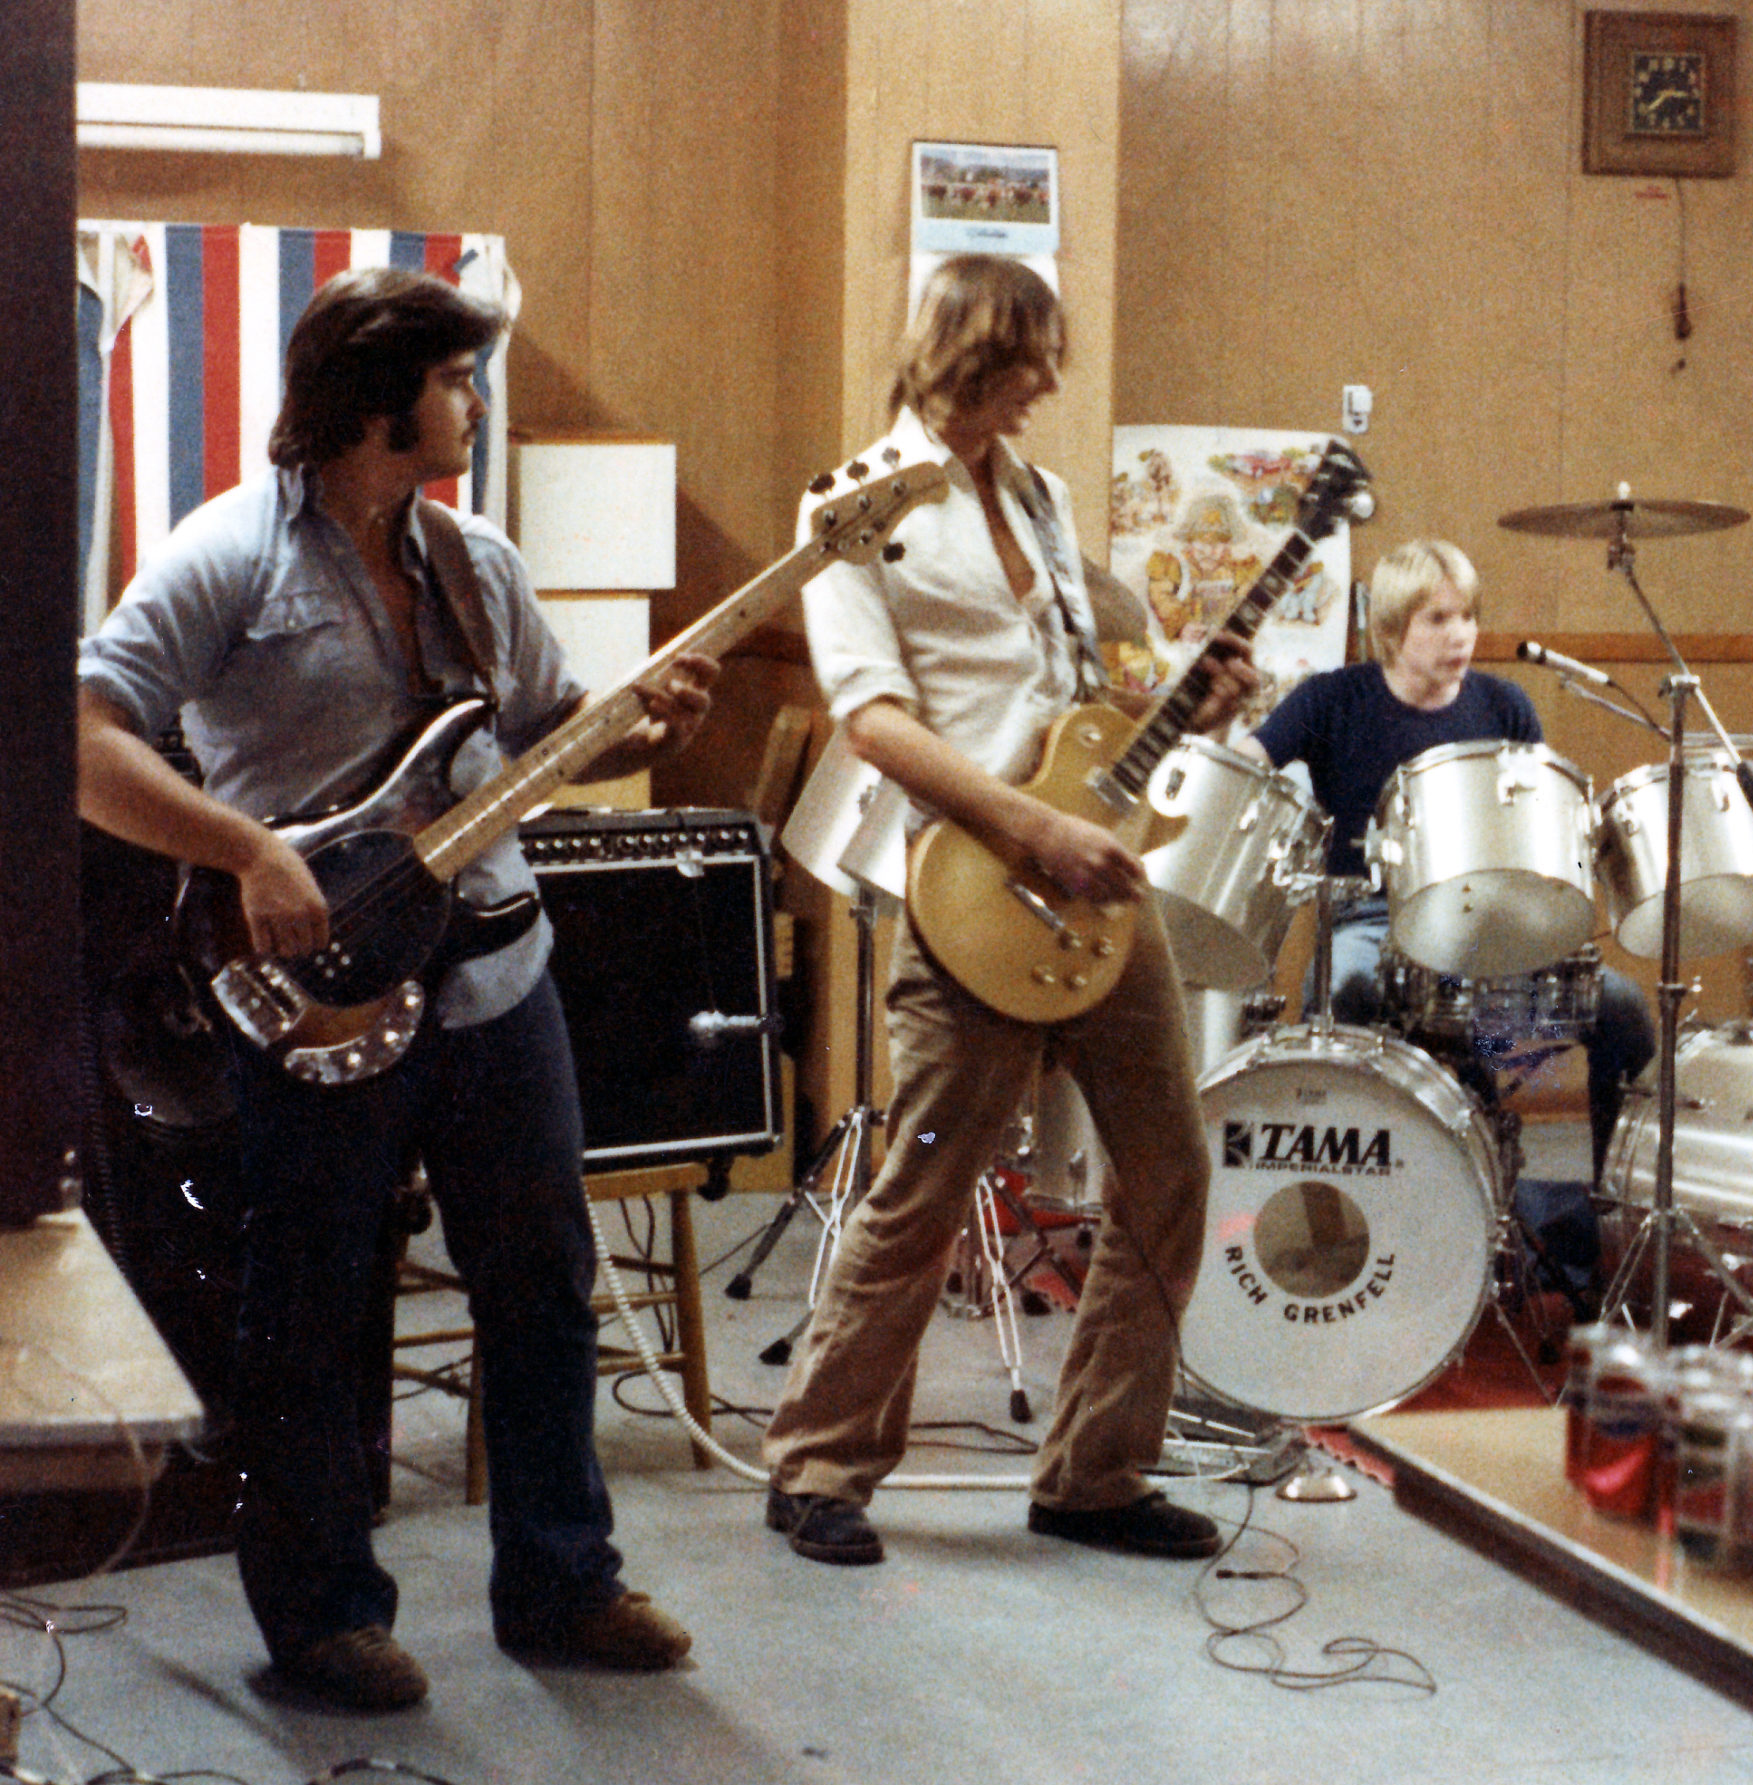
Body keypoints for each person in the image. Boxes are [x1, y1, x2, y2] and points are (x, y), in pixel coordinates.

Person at [77, 268, 711, 1711]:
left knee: (543, 1286)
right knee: (311, 1306)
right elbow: (83, 741)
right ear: (382, 400)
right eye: (456, 381)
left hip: (496, 977)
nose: (476, 404)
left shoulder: (475, 562)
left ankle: (563, 1581)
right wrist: (244, 851)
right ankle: (320, 1619)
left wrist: (644, 724)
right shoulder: (225, 557)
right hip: (317, 992)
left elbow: (544, 740)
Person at [763, 254, 1255, 1568]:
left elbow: (1084, 705)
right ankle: (818, 1465)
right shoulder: (854, 503)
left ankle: (1095, 1472)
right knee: (925, 1189)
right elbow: (873, 720)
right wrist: (1024, 829)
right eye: (1030, 357)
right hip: (969, 889)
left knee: (1169, 1170)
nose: (1047, 382)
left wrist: (1188, 704)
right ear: (969, 351)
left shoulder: (1040, 499)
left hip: (1095, 886)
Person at [1239, 539, 1655, 1308]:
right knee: (1349, 991)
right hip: (1375, 917)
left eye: (1467, 615)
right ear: (1392, 625)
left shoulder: (1505, 705)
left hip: (1501, 933)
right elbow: (1244, 766)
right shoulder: (1331, 699)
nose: (1460, 633)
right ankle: (1368, 1230)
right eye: (1438, 617)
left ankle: (1587, 1231)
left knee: (1623, 1011)